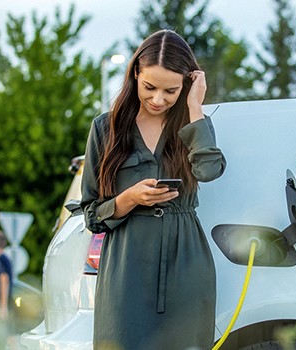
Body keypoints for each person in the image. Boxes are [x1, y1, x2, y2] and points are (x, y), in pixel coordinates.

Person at [80, 29, 226, 349]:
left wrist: (194, 107)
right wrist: (129, 198)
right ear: (135, 74)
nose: (158, 99)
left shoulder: (192, 122)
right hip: (126, 267)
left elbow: (209, 170)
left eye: (171, 90)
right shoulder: (106, 128)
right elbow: (91, 214)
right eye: (150, 87)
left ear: (185, 85)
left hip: (186, 265)